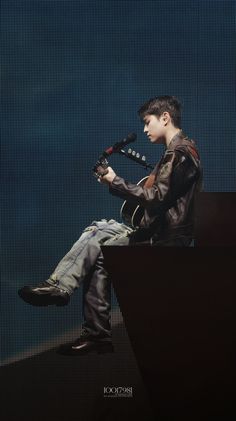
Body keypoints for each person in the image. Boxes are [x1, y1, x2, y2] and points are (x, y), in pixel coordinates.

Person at [18, 95, 203, 355]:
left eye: (148, 122)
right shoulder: (174, 154)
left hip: (164, 239)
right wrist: (115, 183)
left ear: (165, 117)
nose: (144, 129)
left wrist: (115, 182)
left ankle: (95, 333)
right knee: (97, 229)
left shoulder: (180, 153)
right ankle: (58, 286)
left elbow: (157, 198)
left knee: (104, 251)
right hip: (153, 230)